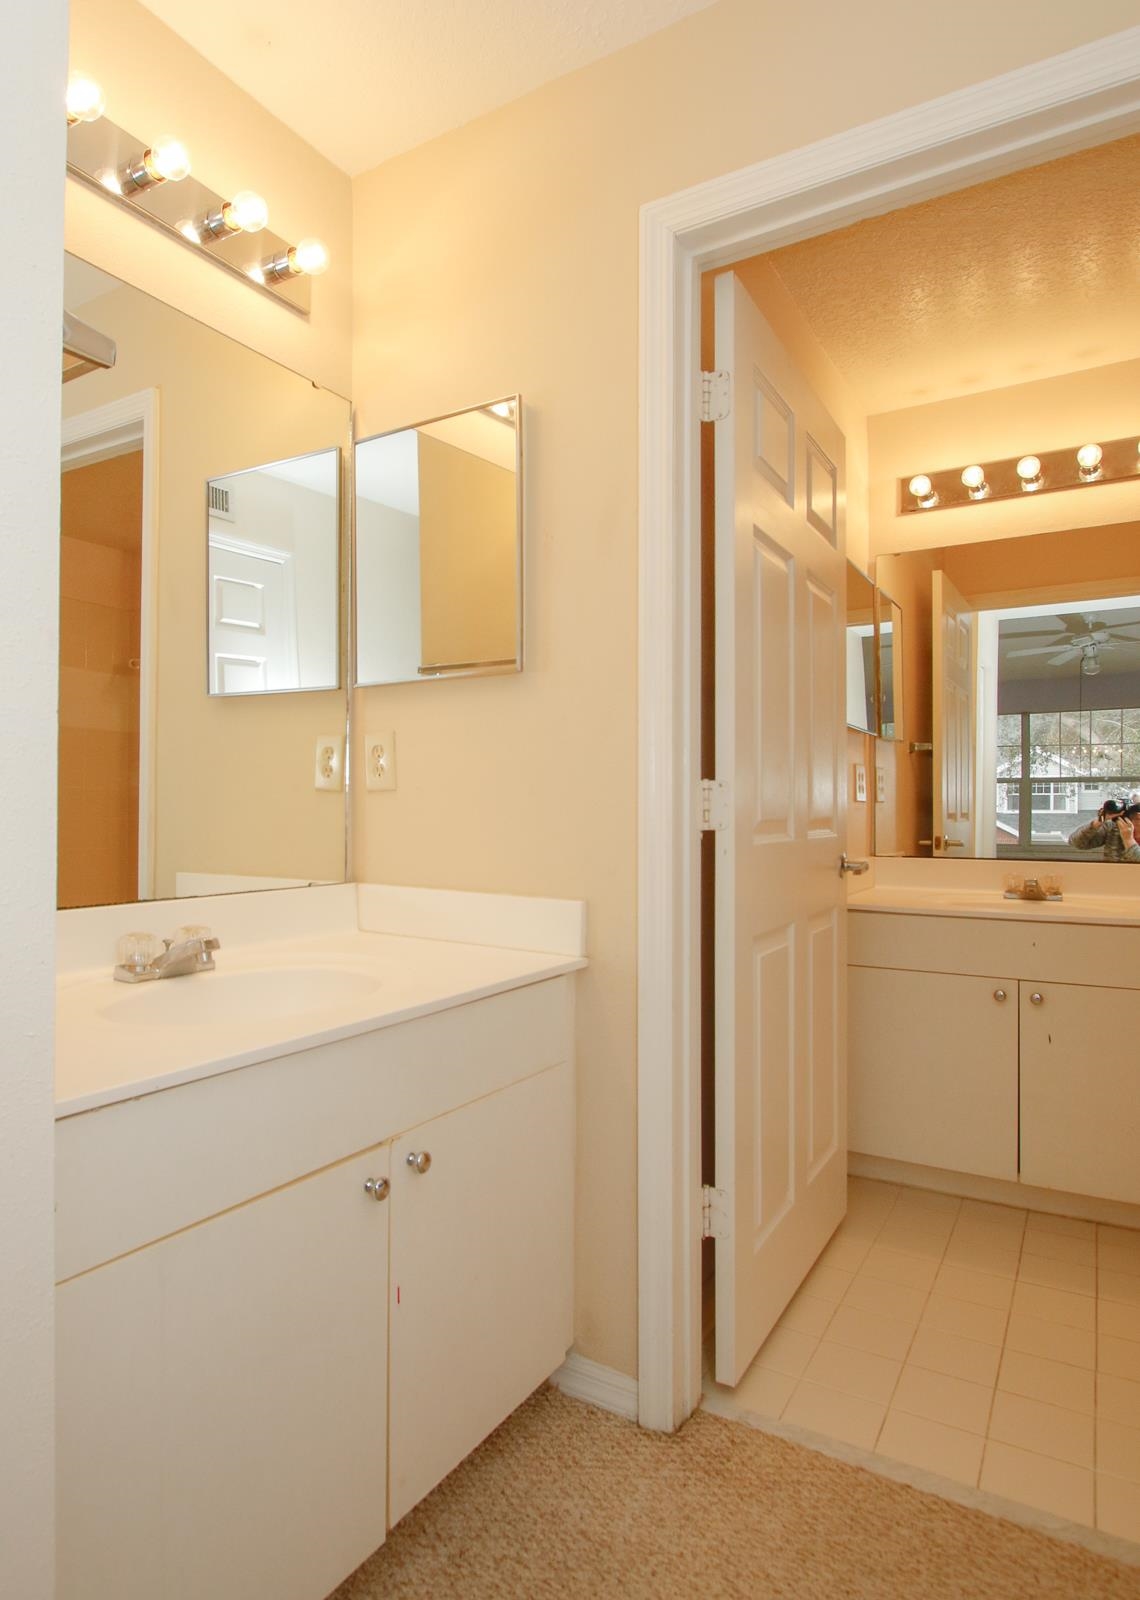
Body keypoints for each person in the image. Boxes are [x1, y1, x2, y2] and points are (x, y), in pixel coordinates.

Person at [1068, 799, 1140, 862]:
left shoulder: (1126, 835)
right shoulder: (1114, 828)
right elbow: (1076, 843)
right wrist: (1099, 821)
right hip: (1109, 874)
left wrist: (1128, 840)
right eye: (1135, 818)